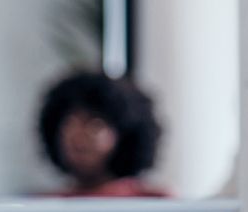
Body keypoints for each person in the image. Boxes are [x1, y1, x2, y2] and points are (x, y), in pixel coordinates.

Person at [36, 72, 168, 198]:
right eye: (69, 123)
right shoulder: (39, 207)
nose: (77, 134)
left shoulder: (156, 204)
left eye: (94, 123)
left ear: (125, 134)